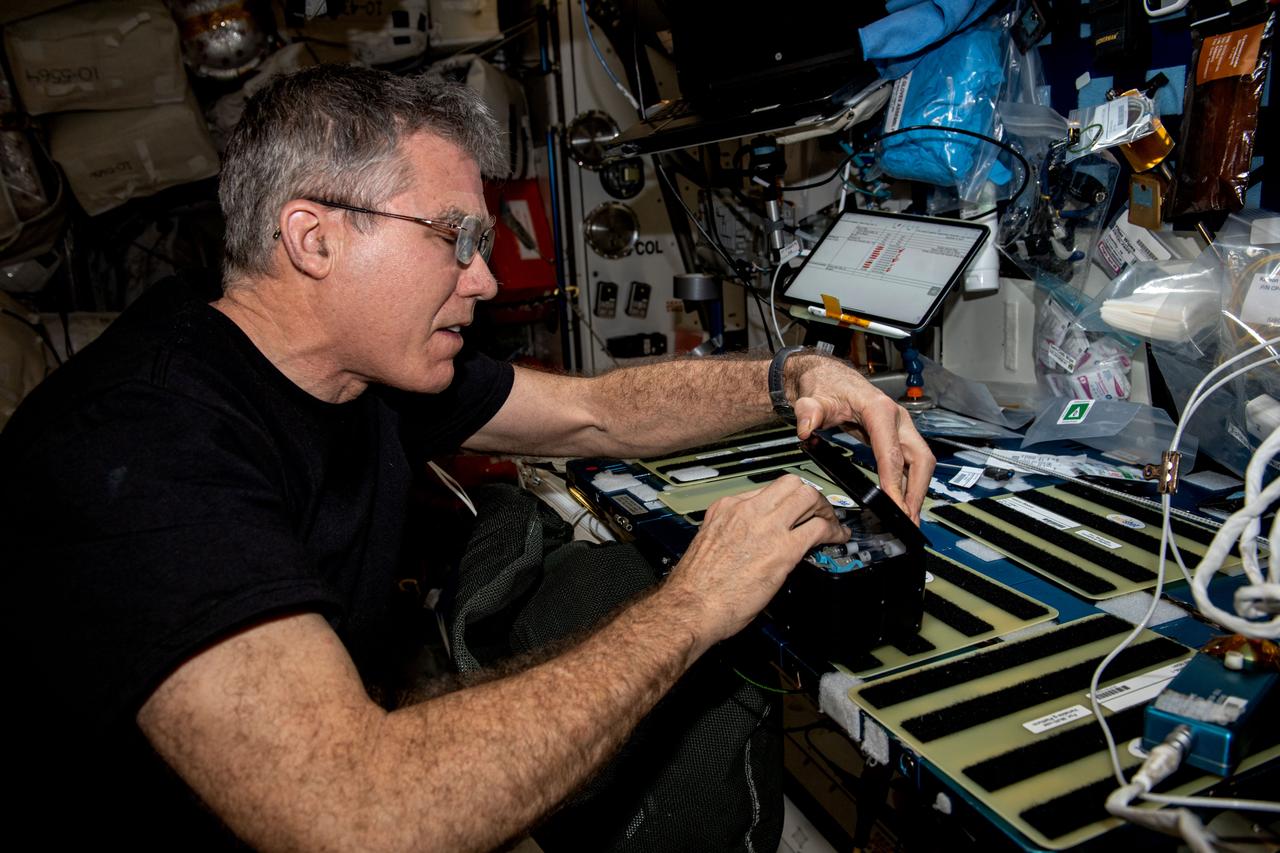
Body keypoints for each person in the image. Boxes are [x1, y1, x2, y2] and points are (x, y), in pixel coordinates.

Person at [0, 64, 933, 850]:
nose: (484, 278)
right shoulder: (141, 450)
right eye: (457, 239)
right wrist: (696, 602)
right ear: (313, 237)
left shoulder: (357, 372)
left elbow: (597, 415)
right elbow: (354, 813)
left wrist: (795, 373)